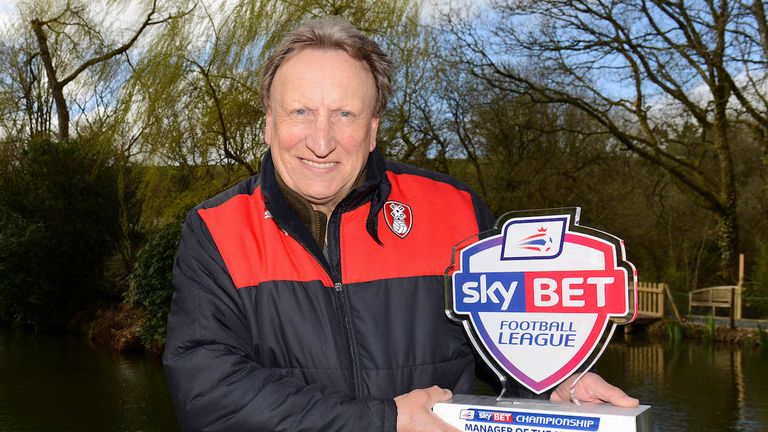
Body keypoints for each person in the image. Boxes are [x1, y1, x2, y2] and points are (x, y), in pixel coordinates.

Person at [163, 16, 639, 432]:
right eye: (301, 112)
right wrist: (382, 421)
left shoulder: (456, 212)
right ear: (268, 123)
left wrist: (558, 380)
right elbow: (209, 396)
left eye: (345, 114)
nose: (322, 140)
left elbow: (501, 344)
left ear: (372, 130)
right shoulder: (215, 231)